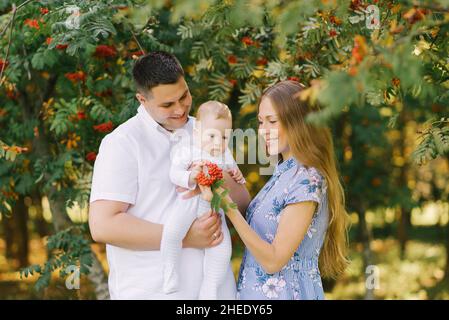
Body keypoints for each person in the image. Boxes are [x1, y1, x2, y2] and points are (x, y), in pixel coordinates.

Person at [88, 51, 250, 299]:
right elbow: (103, 226)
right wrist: (186, 237)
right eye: (167, 105)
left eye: (184, 96)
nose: (180, 109)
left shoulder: (206, 130)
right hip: (154, 292)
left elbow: (241, 203)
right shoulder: (122, 143)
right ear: (142, 100)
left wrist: (213, 170)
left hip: (216, 291)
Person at [221, 80, 350, 299]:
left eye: (272, 121)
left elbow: (273, 261)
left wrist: (229, 209)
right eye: (261, 122)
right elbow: (262, 225)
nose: (263, 131)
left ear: (297, 122)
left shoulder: (307, 178)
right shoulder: (284, 171)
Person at [162, 101, 246, 299]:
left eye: (225, 136)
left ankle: (210, 288)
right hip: (189, 203)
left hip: (215, 208)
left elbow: (234, 175)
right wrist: (190, 177)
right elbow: (174, 173)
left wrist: (237, 174)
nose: (218, 142)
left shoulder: (225, 154)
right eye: (212, 136)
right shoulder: (188, 150)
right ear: (198, 132)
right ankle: (170, 271)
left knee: (222, 249)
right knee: (172, 232)